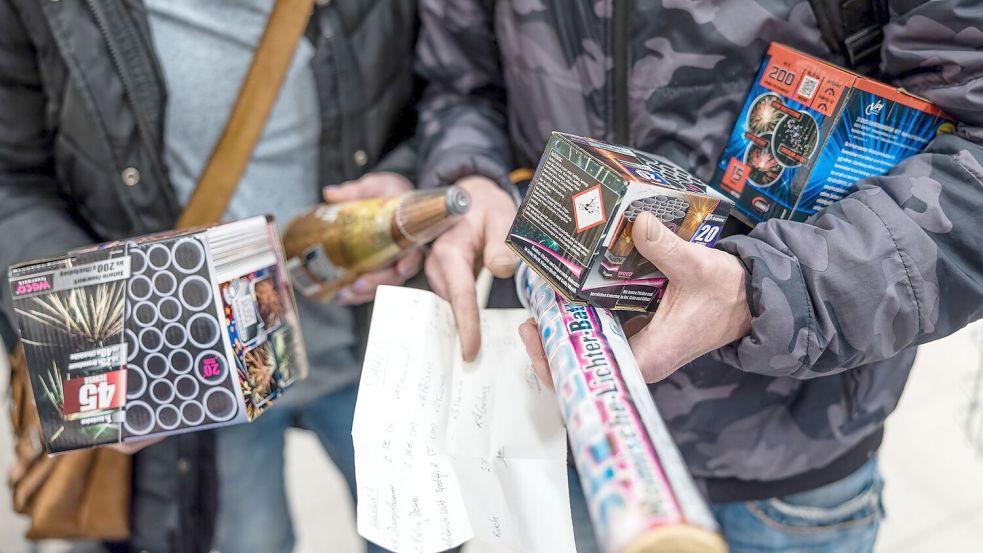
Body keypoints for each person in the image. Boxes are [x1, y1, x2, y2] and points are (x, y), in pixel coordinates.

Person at [415, 1, 983, 551]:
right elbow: (459, 81)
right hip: (576, 443)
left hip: (792, 450)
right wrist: (472, 181)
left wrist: (762, 293)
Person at [0, 1, 419, 551]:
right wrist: (92, 326)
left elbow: (461, 81)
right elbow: (11, 175)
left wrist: (410, 179)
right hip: (193, 374)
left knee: (418, 531)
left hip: (373, 337)